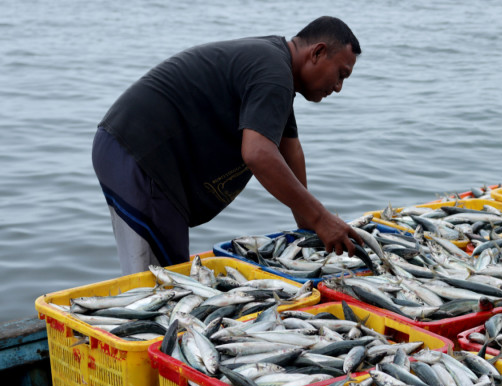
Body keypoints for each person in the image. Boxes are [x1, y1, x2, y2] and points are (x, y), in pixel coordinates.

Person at [92, 16, 364, 275]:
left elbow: (291, 150)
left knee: (171, 273)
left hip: (138, 153)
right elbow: (258, 153)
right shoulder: (273, 73)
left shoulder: (275, 70)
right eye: (341, 74)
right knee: (160, 285)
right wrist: (320, 219)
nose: (338, 87)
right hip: (139, 153)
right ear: (317, 52)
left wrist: (309, 222)